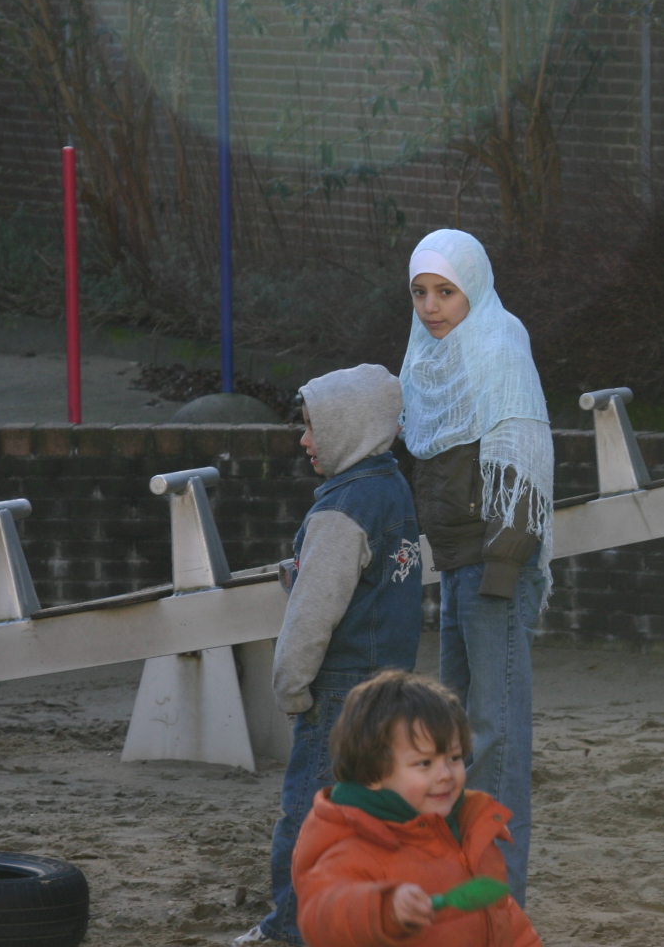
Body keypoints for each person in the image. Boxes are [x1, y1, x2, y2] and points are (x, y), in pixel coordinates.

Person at [241, 364, 426, 946]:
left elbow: (313, 615)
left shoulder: (339, 511)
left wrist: (291, 687)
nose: (304, 440)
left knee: (310, 820)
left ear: (349, 428)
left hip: (340, 693)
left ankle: (293, 931)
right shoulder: (392, 490)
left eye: (313, 428)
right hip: (391, 690)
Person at [399, 229, 552, 906]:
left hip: (495, 569)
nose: (431, 306)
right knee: (456, 732)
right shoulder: (425, 361)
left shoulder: (497, 345)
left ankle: (499, 897)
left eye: (445, 292)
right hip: (458, 564)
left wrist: (502, 571)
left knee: (497, 734)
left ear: (475, 289)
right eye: (420, 292)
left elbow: (522, 457)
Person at [292, 669, 543, 947]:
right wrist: (383, 908)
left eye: (454, 757)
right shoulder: (356, 844)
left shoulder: (466, 829)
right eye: (425, 763)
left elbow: (501, 917)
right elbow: (320, 916)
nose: (445, 774)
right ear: (372, 773)